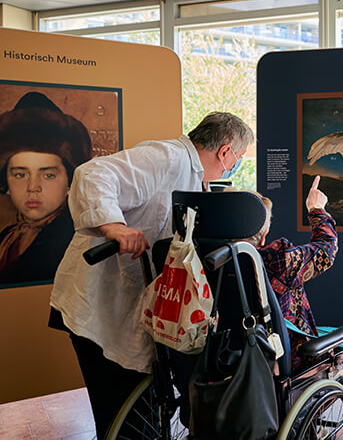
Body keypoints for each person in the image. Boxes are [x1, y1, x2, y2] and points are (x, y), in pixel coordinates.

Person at [49, 111, 254, 439]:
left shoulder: (192, 176)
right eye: (238, 160)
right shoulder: (168, 157)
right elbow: (92, 173)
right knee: (123, 417)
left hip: (125, 307)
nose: (234, 166)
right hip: (97, 303)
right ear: (225, 151)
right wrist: (114, 227)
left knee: (138, 412)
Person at [251, 177, 343, 439]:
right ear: (262, 232)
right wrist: (317, 210)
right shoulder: (274, 260)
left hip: (232, 365)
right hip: (290, 365)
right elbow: (325, 250)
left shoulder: (206, 260)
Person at [0, 92, 92, 286]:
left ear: (70, 182)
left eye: (48, 175)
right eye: (20, 174)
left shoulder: (77, 240)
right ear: (5, 183)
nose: (33, 187)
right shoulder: (6, 237)